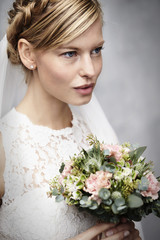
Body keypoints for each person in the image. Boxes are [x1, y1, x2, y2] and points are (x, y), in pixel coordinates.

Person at [0, 0, 142, 239]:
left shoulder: (98, 133)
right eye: (70, 53)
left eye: (96, 50)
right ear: (27, 53)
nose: (91, 70)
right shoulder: (5, 148)